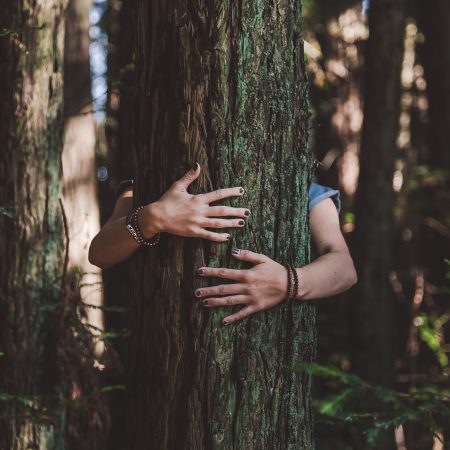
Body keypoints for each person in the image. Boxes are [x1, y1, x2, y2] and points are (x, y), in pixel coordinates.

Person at [89, 163, 357, 324]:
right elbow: (99, 253)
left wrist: (288, 282)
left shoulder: (304, 191)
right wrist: (154, 217)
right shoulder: (147, 182)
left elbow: (344, 268)